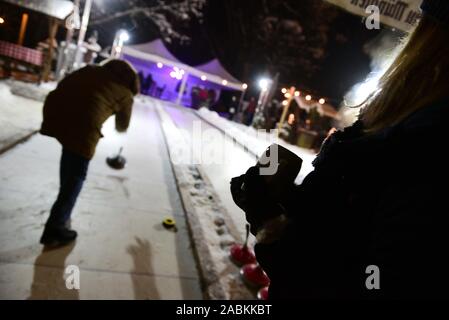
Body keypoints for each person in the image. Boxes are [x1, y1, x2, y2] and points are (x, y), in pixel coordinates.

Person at [231, 0, 449, 299]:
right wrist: (285, 201)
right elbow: (349, 219)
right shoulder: (408, 122)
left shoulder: (426, 143)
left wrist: (271, 226)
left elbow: (356, 277)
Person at [39, 59, 140, 246]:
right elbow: (122, 125)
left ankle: (62, 215)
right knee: (76, 177)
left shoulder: (90, 70)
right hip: (84, 127)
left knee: (69, 163)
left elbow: (63, 84)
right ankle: (55, 228)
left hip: (58, 112)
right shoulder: (126, 93)